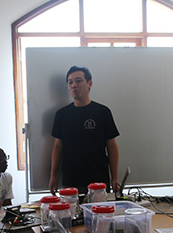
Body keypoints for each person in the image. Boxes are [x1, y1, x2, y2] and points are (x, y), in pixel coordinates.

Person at [49, 65, 120, 195]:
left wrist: (114, 177)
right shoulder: (62, 114)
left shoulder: (103, 112)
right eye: (70, 82)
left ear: (90, 83)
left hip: (99, 180)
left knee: (100, 214)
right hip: (71, 180)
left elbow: (112, 146)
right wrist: (53, 175)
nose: (74, 85)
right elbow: (58, 146)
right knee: (71, 215)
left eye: (78, 81)